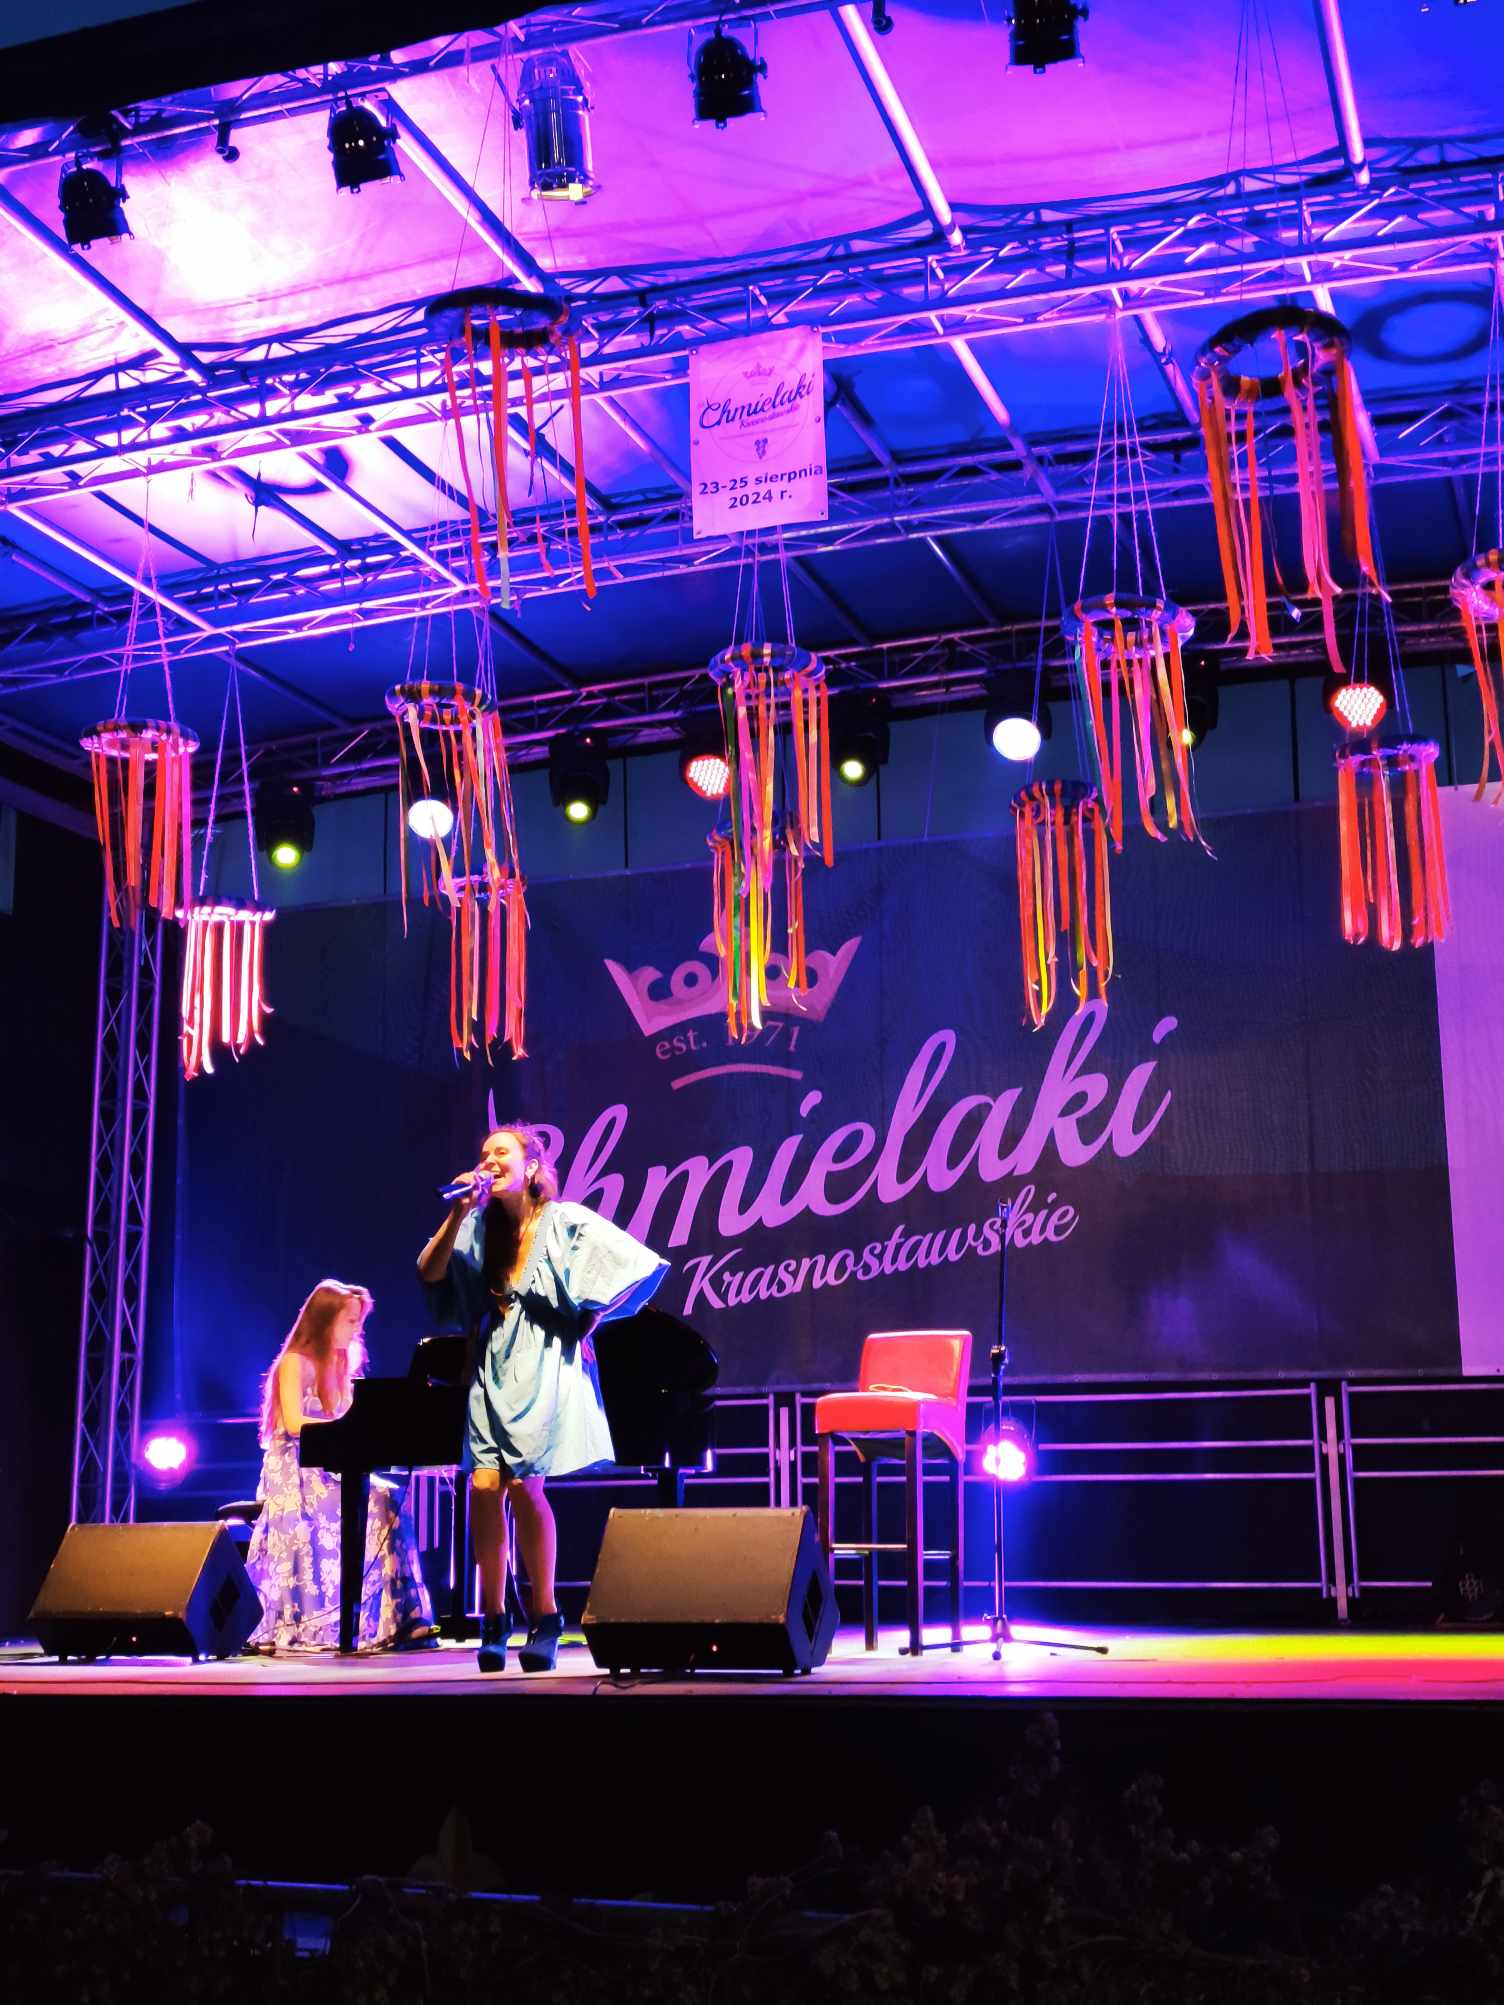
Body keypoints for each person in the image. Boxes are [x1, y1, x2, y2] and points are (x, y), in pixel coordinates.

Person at [418, 1123, 668, 1673]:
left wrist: (591, 1319)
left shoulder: (565, 1221)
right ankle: (493, 1617)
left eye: (501, 1152)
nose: (489, 1160)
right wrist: (458, 1212)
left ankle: (546, 1614)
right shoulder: (476, 1225)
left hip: (543, 1362)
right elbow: (429, 1271)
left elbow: (638, 1266)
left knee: (523, 1485)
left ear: (530, 1166)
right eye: (484, 1153)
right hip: (491, 1361)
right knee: (483, 1485)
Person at [245, 1278, 436, 1653]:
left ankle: (398, 1617)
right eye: (350, 1321)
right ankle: (342, 1619)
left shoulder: (340, 1365)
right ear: (324, 1321)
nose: (356, 1330)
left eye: (358, 1322)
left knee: (387, 1496)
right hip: (296, 1471)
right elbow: (295, 1424)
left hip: (331, 1466)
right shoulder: (295, 1362)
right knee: (376, 1500)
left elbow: (348, 1420)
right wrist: (344, 1427)